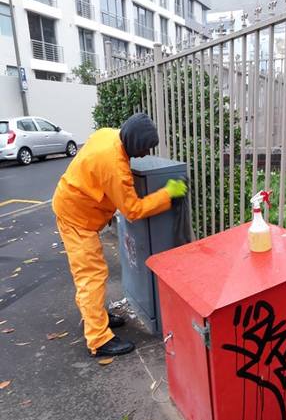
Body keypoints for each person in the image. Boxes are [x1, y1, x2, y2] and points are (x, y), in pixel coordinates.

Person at [52, 113, 187, 357]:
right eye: (144, 149)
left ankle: (96, 318)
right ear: (134, 144)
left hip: (74, 206)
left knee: (90, 274)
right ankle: (98, 339)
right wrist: (167, 194)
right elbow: (133, 210)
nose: (145, 154)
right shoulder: (115, 166)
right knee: (91, 275)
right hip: (76, 218)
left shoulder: (109, 135)